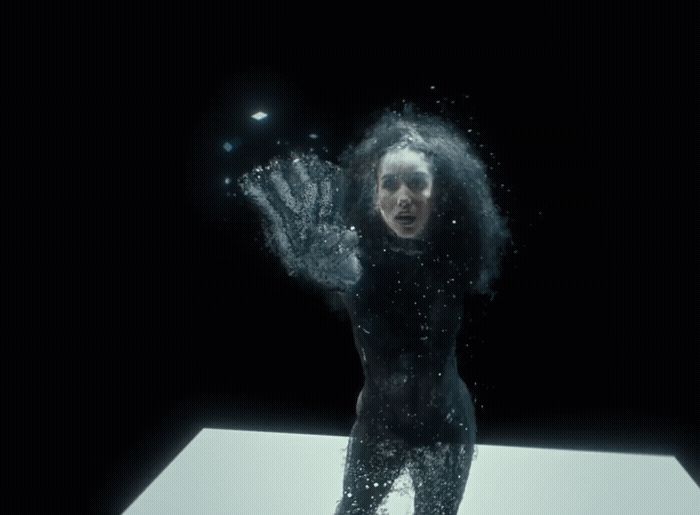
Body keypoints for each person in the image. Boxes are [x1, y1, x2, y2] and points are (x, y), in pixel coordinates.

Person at [238, 107, 510, 514]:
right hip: (379, 428)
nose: (404, 198)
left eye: (417, 183)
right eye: (390, 185)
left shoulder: (455, 257)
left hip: (448, 430)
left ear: (441, 191)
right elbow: (353, 273)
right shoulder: (354, 258)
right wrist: (321, 263)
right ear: (375, 195)